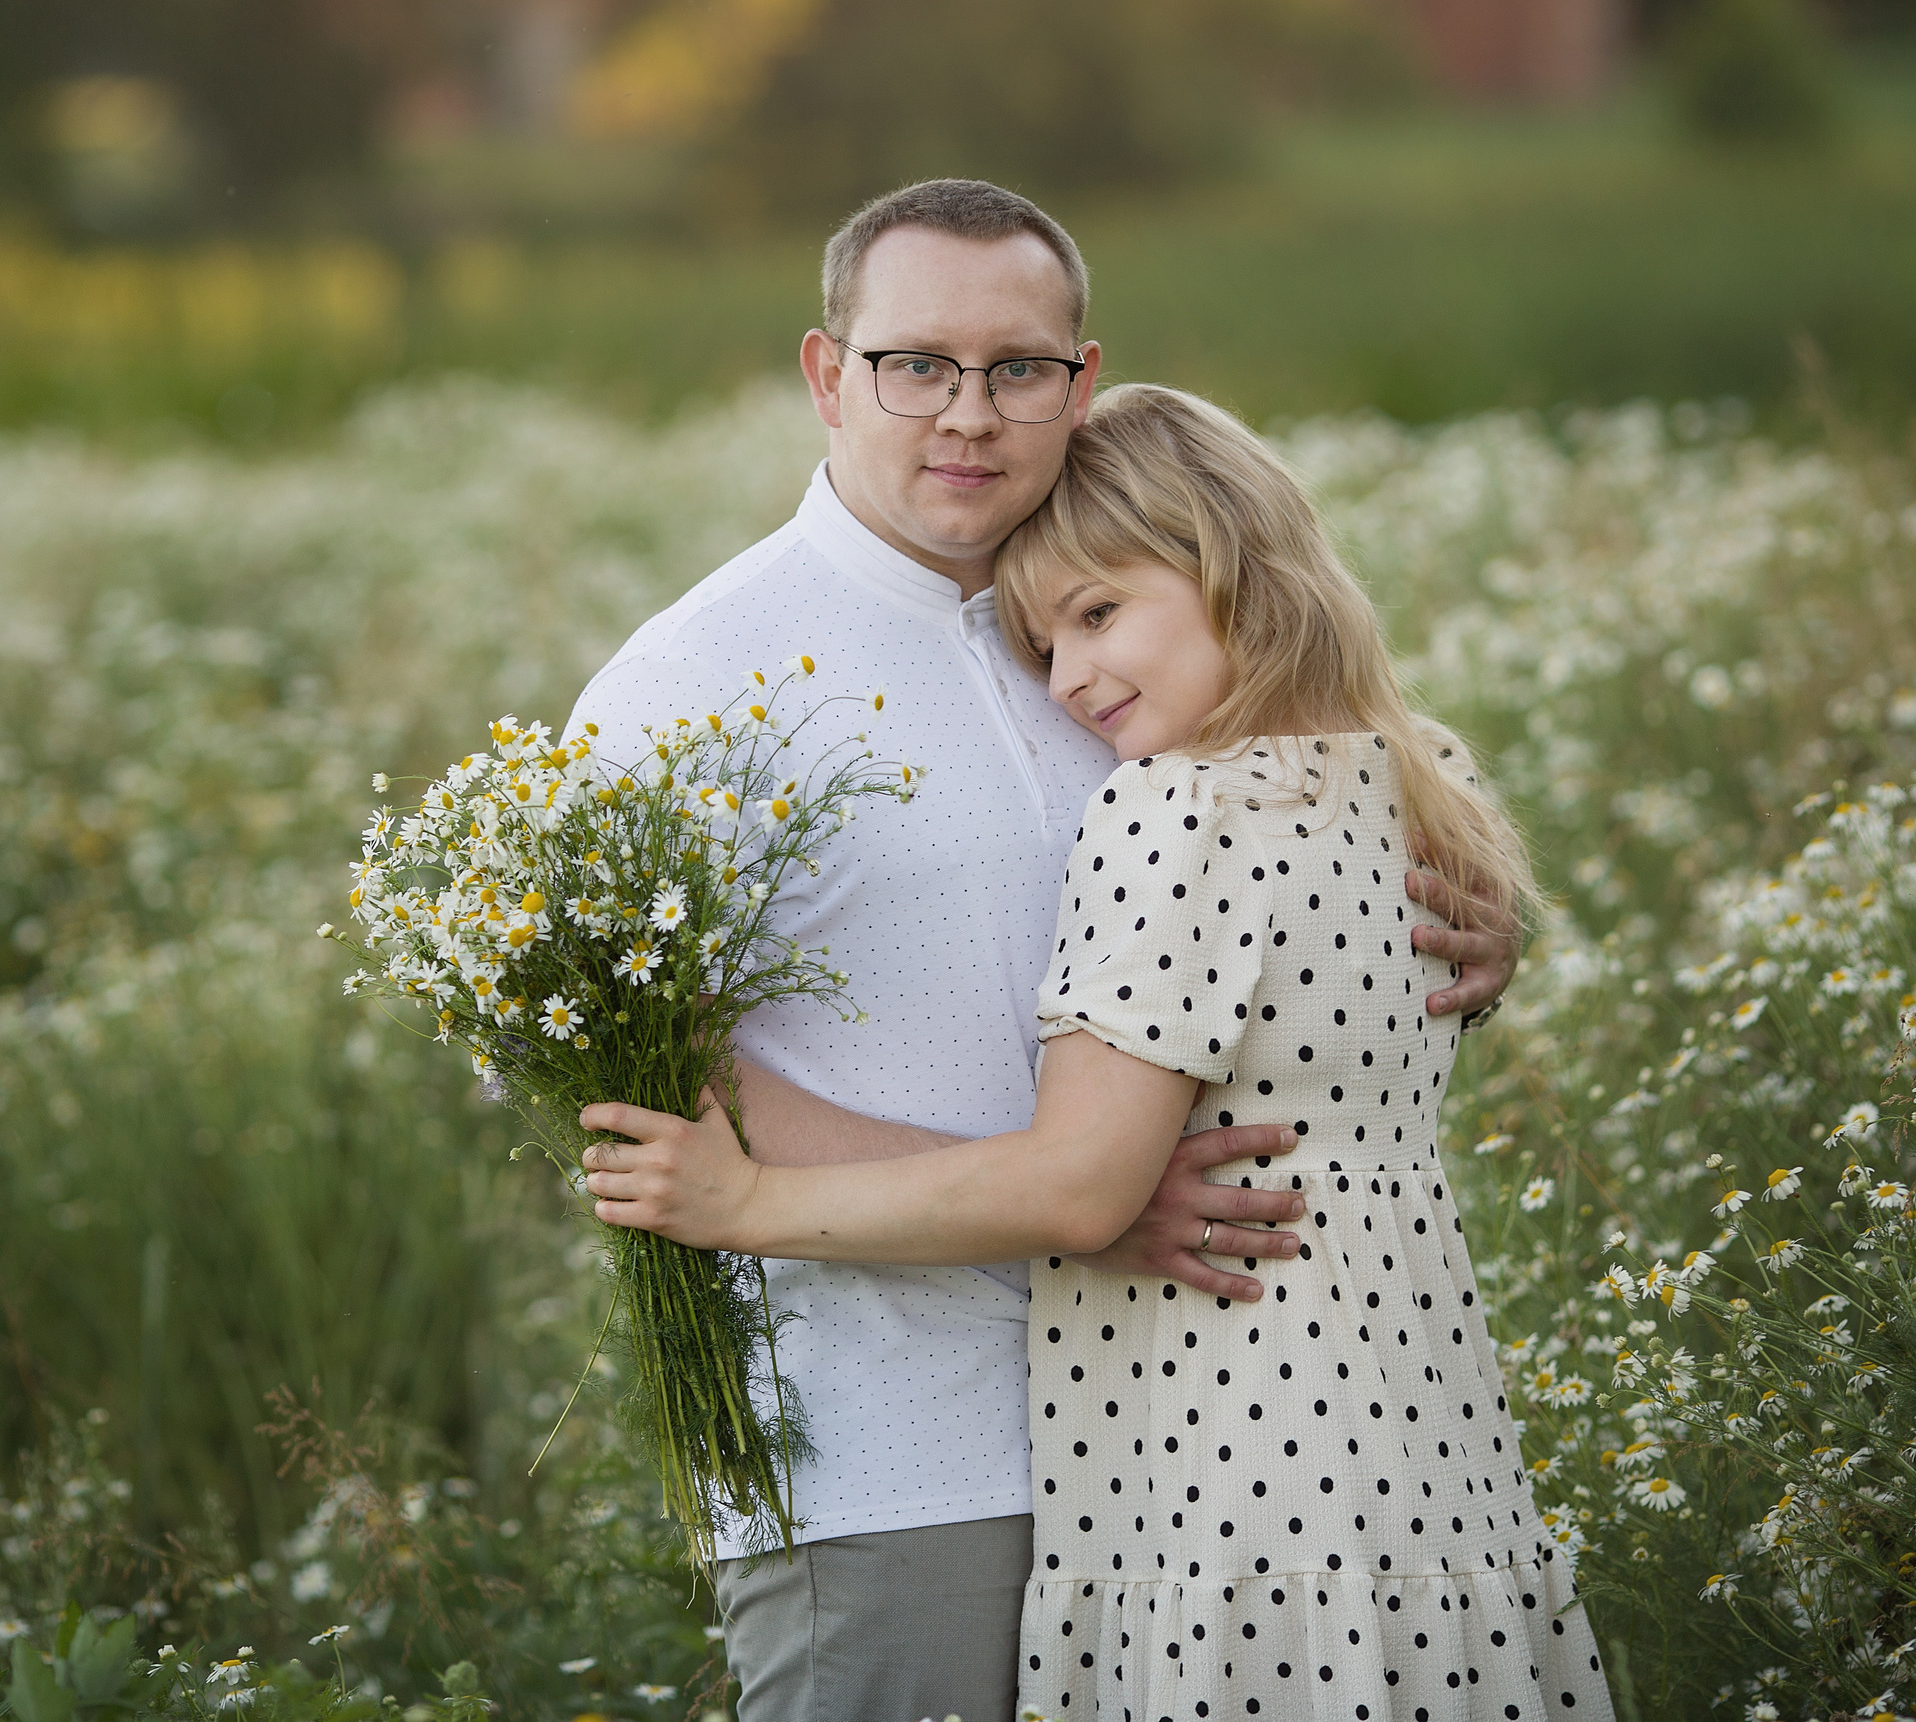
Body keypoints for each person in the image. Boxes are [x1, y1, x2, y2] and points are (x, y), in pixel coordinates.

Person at [565, 180, 1519, 1722]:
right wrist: (1073, 1205)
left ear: (1083, 381)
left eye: (1016, 368)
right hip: (893, 1447)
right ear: (827, 374)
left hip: (1196, 1433)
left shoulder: (1129, 631)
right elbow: (625, 1077)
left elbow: (1300, 887)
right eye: (914, 365)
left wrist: (1463, 917)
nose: (968, 413)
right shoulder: (691, 679)